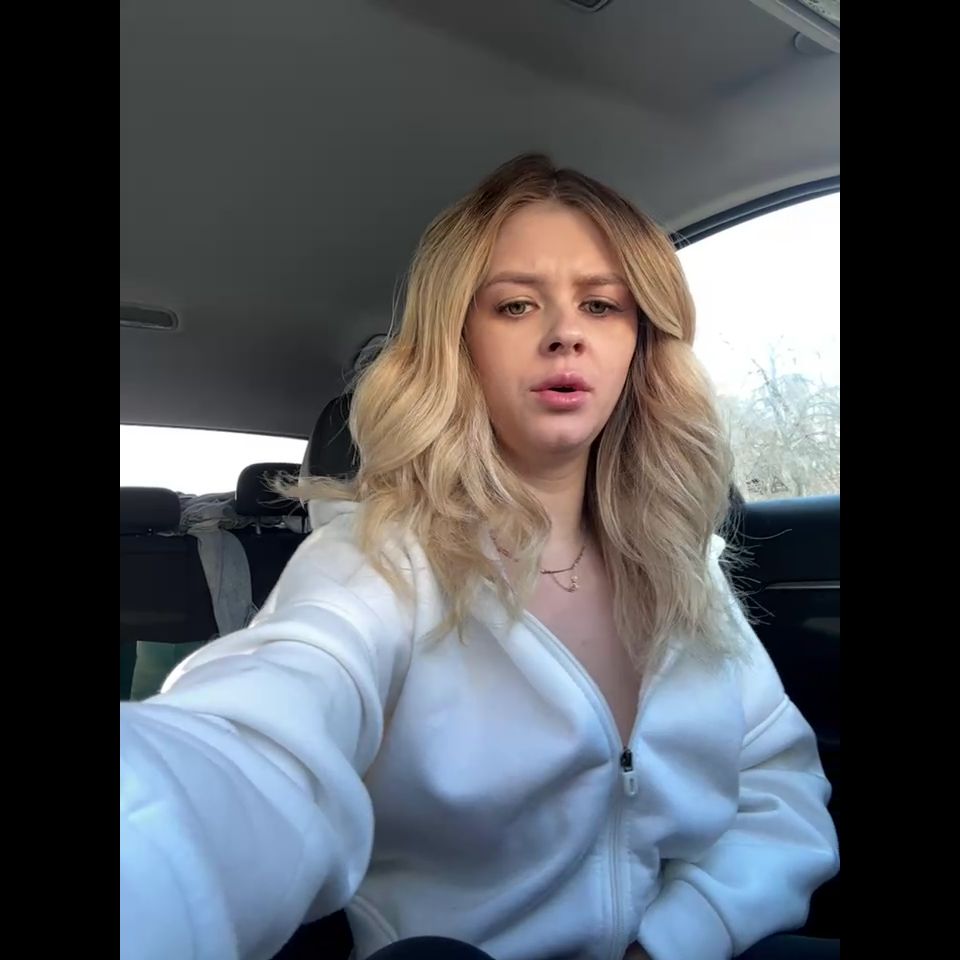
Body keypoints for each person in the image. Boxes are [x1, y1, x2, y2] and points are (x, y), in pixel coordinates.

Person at [119, 154, 839, 960]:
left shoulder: (682, 565)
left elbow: (777, 789)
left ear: (640, 344)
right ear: (458, 343)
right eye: (516, 305)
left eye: (602, 304)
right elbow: (256, 737)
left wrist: (677, 938)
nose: (565, 333)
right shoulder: (374, 563)